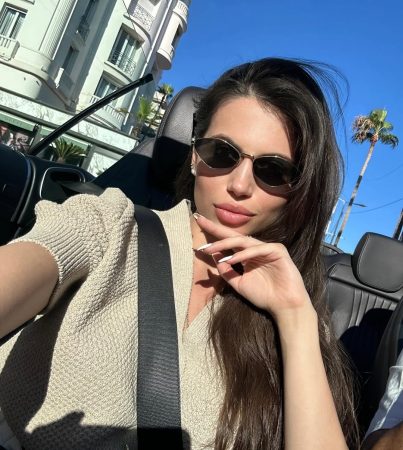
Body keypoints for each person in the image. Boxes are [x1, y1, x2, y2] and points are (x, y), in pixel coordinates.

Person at [0, 57, 359, 450]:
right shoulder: (110, 225)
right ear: (194, 155)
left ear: (299, 189)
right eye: (221, 153)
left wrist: (294, 317)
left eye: (273, 171)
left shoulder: (296, 314)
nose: (239, 185)